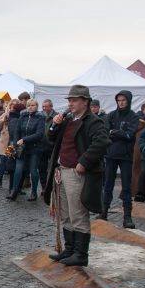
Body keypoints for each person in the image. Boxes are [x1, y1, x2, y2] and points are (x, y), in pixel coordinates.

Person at [43, 85, 110, 268]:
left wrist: (84, 162)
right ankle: (70, 249)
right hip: (61, 171)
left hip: (76, 173)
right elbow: (49, 138)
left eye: (74, 100)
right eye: (69, 100)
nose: (70, 104)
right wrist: (54, 124)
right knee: (64, 214)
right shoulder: (67, 120)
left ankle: (81, 254)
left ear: (85, 102)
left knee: (77, 213)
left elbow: (102, 142)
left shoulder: (93, 121)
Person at [101, 90, 140, 228]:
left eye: (124, 100)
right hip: (111, 154)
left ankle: (127, 217)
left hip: (126, 156)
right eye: (119, 100)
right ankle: (104, 211)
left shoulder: (133, 117)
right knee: (108, 185)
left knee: (126, 187)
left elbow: (130, 134)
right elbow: (105, 131)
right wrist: (120, 134)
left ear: (128, 101)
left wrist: (115, 132)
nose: (121, 102)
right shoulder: (111, 115)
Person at [7, 99, 45, 202]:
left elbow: (39, 134)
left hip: (34, 148)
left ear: (37, 106)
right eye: (29, 105)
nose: (30, 107)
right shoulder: (22, 117)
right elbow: (17, 131)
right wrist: (15, 143)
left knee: (33, 171)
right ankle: (14, 191)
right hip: (22, 149)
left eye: (33, 105)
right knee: (18, 170)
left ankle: (33, 192)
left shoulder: (40, 118)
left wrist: (24, 139)